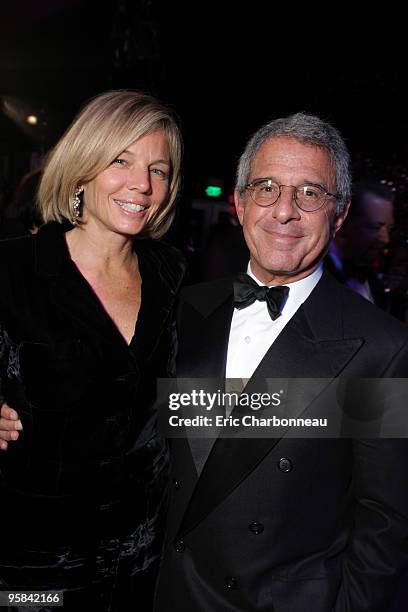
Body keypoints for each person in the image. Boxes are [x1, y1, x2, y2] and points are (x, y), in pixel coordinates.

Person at [151, 114, 407, 611]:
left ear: (338, 214)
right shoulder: (182, 309)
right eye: (266, 188)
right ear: (240, 203)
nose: (284, 211)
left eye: (310, 193)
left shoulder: (380, 348)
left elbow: (386, 521)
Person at [0, 89, 185, 610]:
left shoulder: (172, 273)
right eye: (120, 160)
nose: (143, 185)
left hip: (140, 562)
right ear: (83, 168)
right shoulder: (13, 269)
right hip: (32, 565)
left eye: (160, 170)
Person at [327, 178, 394, 305]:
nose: (386, 239)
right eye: (375, 227)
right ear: (343, 222)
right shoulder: (312, 273)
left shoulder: (373, 281)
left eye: (389, 229)